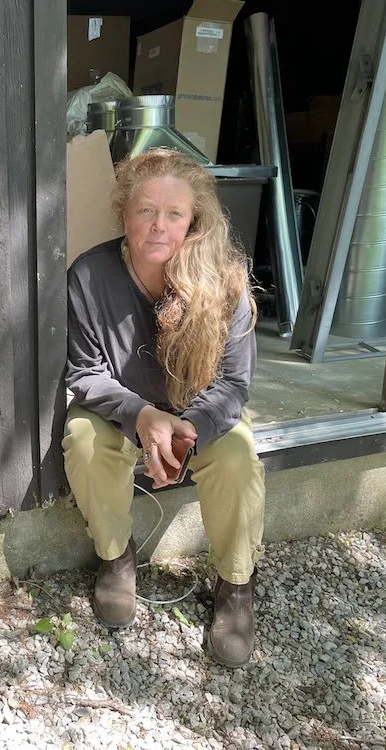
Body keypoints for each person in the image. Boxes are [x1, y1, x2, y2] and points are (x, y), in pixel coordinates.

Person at [62, 148, 266, 668]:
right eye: (145, 211)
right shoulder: (89, 275)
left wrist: (188, 428)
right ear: (123, 213)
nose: (158, 226)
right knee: (84, 440)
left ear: (193, 219)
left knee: (239, 456)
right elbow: (85, 373)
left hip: (196, 414)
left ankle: (236, 586)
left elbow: (233, 382)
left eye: (174, 214)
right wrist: (141, 417)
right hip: (121, 410)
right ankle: (115, 556)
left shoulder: (222, 281)